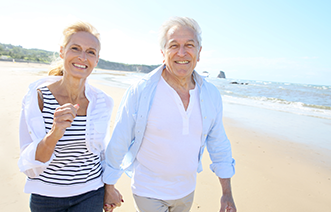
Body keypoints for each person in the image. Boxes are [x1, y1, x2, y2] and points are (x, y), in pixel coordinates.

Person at [103, 17, 236, 212]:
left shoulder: (210, 94)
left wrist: (227, 194)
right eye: (174, 45)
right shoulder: (142, 90)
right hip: (148, 190)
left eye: (189, 45)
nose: (182, 52)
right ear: (163, 53)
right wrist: (109, 186)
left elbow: (219, 144)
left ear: (199, 53)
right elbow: (120, 139)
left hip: (187, 191)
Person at [18, 21, 122, 212]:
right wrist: (54, 133)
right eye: (75, 48)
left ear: (96, 60)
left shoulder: (102, 102)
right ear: (62, 52)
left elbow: (102, 151)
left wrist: (110, 188)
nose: (83, 57)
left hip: (91, 192)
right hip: (46, 196)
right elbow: (29, 158)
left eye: (91, 52)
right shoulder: (37, 98)